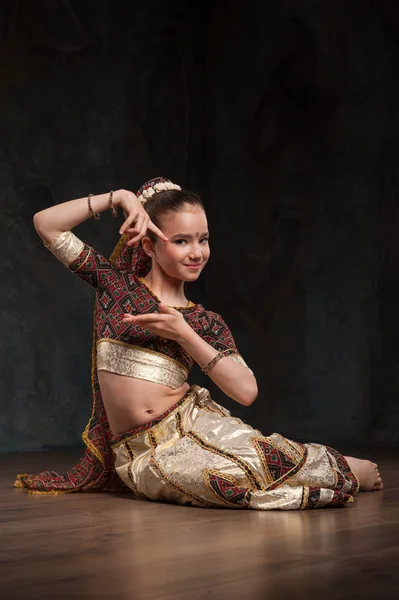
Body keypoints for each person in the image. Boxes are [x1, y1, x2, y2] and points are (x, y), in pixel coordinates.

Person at [15, 177, 383, 509]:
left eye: (203, 239)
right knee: (224, 479)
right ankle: (336, 469)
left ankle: (346, 467)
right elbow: (46, 224)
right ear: (148, 246)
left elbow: (247, 391)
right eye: (180, 241)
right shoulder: (117, 287)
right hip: (140, 455)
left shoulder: (204, 322)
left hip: (195, 427)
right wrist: (119, 197)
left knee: (261, 456)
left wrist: (185, 335)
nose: (196, 252)